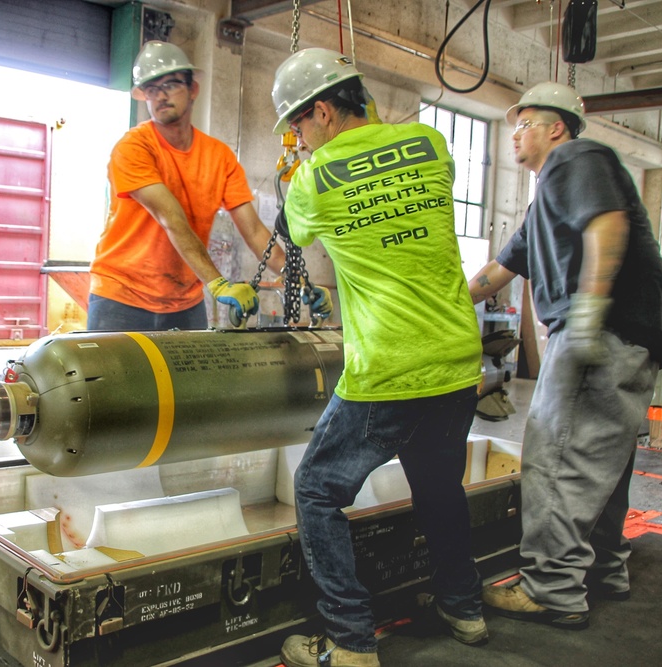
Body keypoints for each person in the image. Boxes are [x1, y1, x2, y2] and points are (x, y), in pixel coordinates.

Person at [270, 48, 487, 667]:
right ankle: (464, 608)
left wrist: (302, 165)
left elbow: (296, 232)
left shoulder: (313, 180)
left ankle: (350, 642)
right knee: (439, 483)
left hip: (388, 368)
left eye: (298, 127)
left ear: (321, 111)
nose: (298, 139)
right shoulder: (429, 142)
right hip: (456, 358)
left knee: (315, 489)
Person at [468, 82, 662, 629]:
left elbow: (607, 222)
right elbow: (497, 273)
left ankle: (553, 589)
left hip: (601, 332)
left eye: (523, 122)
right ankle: (604, 568)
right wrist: (435, 305)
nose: (514, 133)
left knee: (556, 459)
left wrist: (587, 308)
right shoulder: (545, 204)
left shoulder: (576, 159)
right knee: (603, 461)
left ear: (554, 127)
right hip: (633, 337)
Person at [88, 40, 288, 331]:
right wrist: (218, 283)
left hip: (184, 303)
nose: (160, 96)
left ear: (192, 89)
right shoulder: (133, 147)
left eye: (170, 85)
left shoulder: (219, 157)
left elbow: (256, 232)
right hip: (121, 299)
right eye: (152, 89)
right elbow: (172, 219)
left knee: (190, 379)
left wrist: (295, 278)